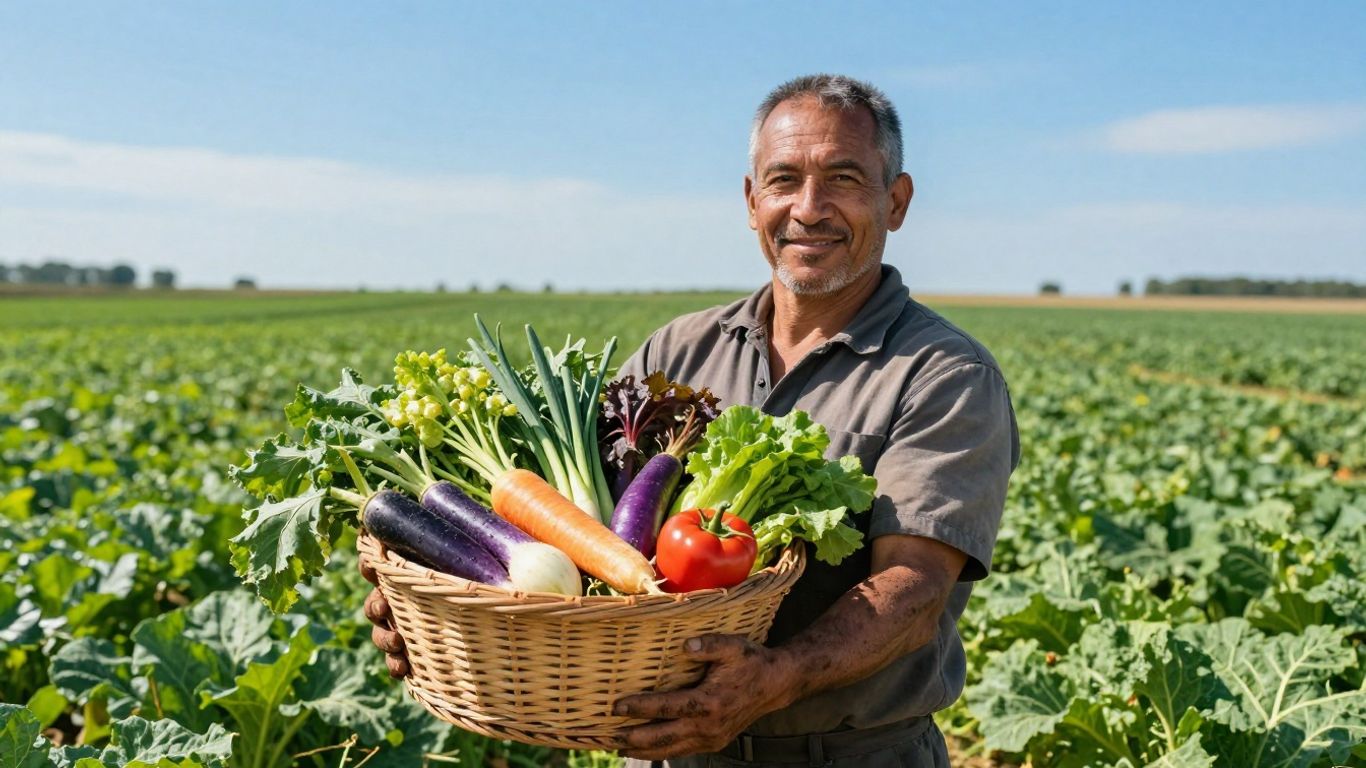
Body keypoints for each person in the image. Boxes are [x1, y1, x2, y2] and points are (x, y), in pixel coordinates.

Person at [362, 73, 1019, 767]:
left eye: (844, 179)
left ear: (897, 201)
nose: (808, 208)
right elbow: (565, 529)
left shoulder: (945, 376)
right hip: (662, 750)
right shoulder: (677, 350)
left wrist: (777, 676)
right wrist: (441, 599)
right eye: (784, 180)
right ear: (751, 202)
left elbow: (914, 591)